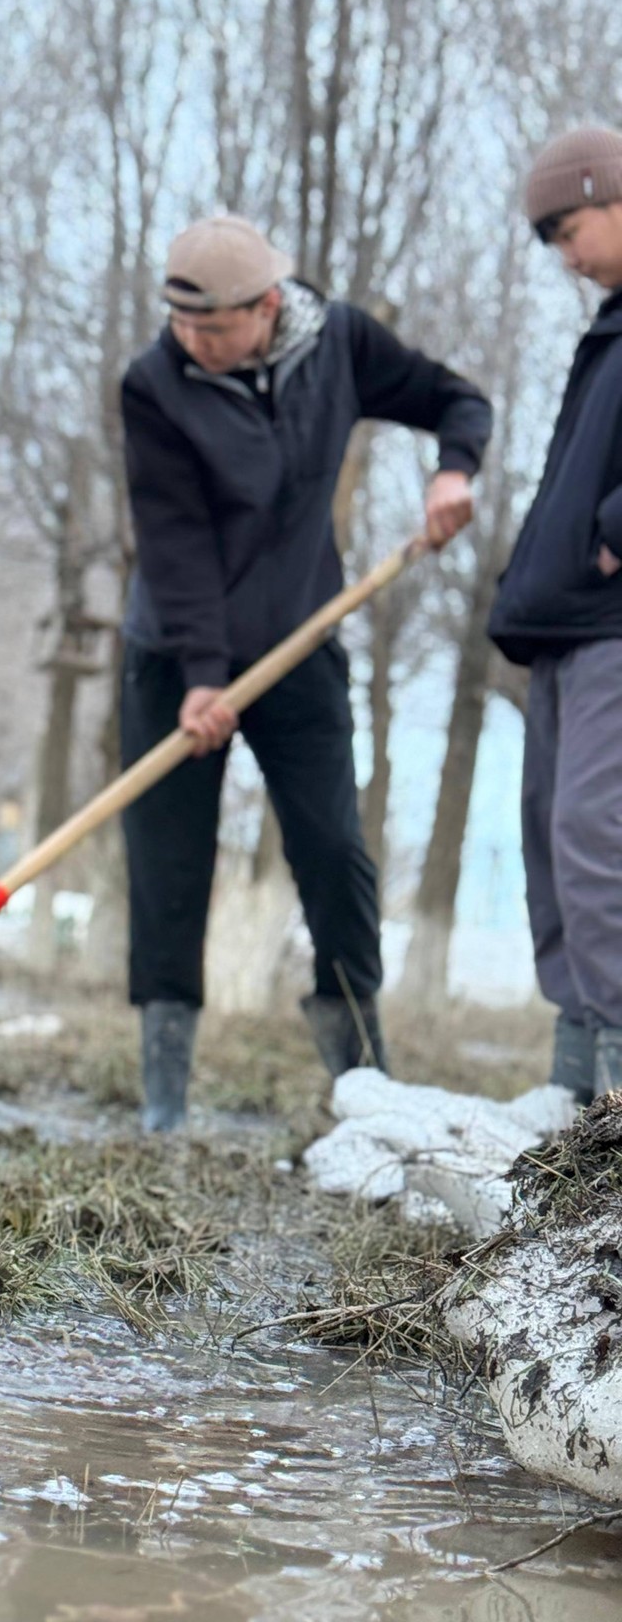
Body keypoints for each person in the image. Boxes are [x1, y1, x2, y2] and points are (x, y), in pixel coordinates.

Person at [118, 216, 492, 1131]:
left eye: (212, 328)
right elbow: (173, 539)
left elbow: (456, 400)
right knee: (170, 863)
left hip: (300, 635)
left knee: (333, 851)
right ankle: (164, 1101)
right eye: (180, 324)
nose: (191, 342)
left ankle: (363, 1079)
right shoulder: (154, 383)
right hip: (177, 652)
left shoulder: (340, 345)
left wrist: (454, 471)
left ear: (268, 307)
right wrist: (203, 673)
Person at [487, 127, 622, 1105]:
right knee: (546, 827)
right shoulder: (610, 326)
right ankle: (576, 1073)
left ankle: (618, 1064)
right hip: (566, 618)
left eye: (568, 230)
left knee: (593, 823)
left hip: (613, 614)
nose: (564, 257)